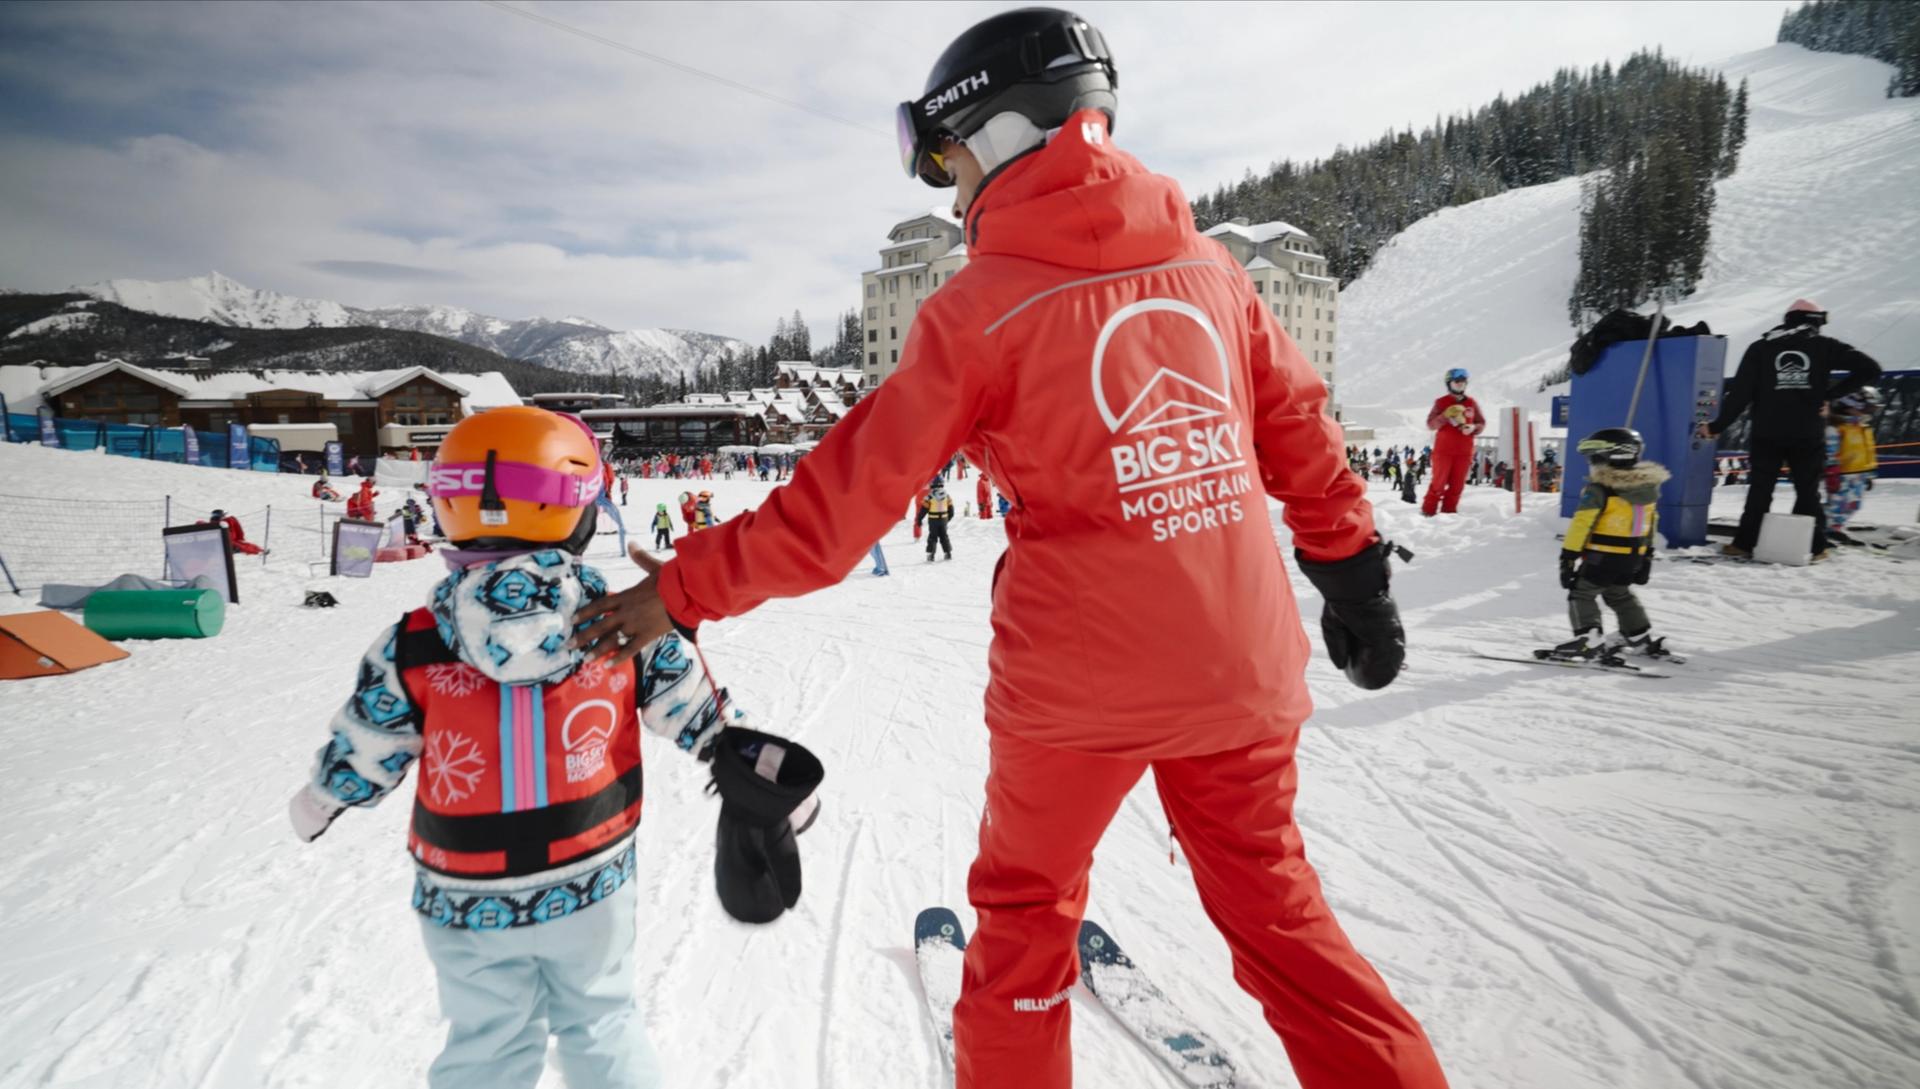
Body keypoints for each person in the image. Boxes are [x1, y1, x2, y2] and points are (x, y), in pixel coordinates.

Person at [569, 10, 1446, 1089]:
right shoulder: (1214, 272)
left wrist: (685, 589)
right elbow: (1301, 432)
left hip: (1078, 688)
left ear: (989, 132)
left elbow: (844, 506)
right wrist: (1354, 579)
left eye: (944, 158)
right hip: (1241, 668)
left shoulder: (981, 308)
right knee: (1279, 914)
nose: (949, 193)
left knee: (1027, 920)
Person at [285, 406, 818, 1089]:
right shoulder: (624, 623)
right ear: (578, 510)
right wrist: (773, 790)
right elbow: (704, 716)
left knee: (488, 1043)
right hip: (589, 876)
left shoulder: (415, 642)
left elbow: (368, 741)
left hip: (464, 890)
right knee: (602, 1024)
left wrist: (318, 800)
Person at [1699, 299, 1882, 561]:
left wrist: (1716, 427)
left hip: (1767, 433)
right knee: (1807, 491)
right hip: (1808, 433)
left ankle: (1744, 544)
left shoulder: (1761, 349)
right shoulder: (1825, 346)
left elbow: (1740, 394)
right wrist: (1830, 396)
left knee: (1760, 491)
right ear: (1815, 321)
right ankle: (1815, 547)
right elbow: (1871, 369)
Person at [1552, 428, 1673, 660]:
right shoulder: (1646, 489)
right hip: (1631, 558)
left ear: (1612, 457)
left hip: (1603, 556)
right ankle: (1639, 636)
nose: (1592, 463)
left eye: (1595, 457)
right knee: (1619, 595)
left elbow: (1582, 523)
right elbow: (1650, 523)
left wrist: (1568, 556)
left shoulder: (1599, 490)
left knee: (1581, 594)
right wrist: (1646, 556)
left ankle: (1588, 639)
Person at [1422, 367, 1481, 515]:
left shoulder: (1471, 403)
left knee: (1457, 486)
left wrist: (1473, 427)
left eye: (1463, 381)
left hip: (1464, 452)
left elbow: (1482, 423)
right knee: (1438, 484)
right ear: (1449, 383)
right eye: (1456, 381)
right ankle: (1428, 512)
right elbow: (1431, 424)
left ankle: (1449, 514)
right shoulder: (1441, 402)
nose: (1460, 384)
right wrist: (1445, 416)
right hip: (1444, 451)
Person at [1824, 387, 1880, 540]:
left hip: (1859, 473)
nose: (1869, 412)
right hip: (1842, 474)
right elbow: (1830, 450)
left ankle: (1837, 527)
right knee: (1837, 504)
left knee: (1854, 504)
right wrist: (1831, 470)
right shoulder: (1836, 428)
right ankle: (1829, 530)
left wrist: (1869, 475)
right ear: (1850, 407)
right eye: (1867, 408)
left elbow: (1868, 452)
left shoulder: (1862, 427)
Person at [921, 477, 955, 561]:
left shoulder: (929, 496)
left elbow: (924, 509)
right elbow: (951, 510)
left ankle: (931, 555)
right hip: (943, 519)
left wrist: (919, 519)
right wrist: (947, 519)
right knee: (944, 536)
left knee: (933, 537)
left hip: (933, 520)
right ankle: (948, 553)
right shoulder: (947, 496)